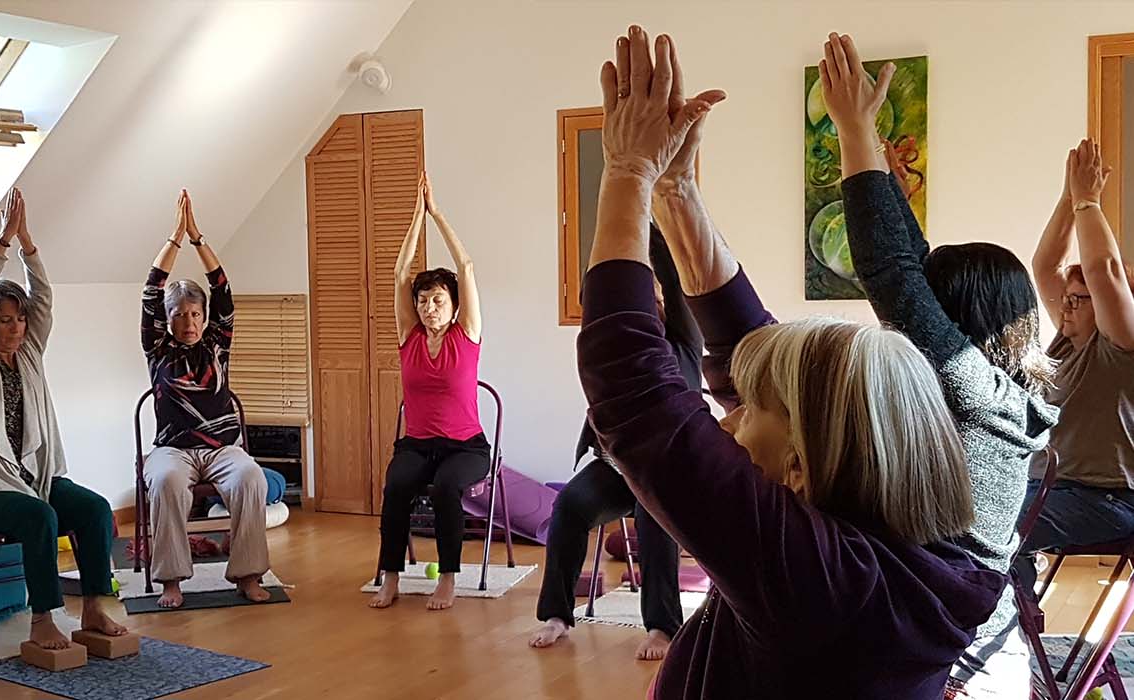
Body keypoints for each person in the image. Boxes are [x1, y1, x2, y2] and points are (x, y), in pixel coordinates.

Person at [578, 26, 1003, 698]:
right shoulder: (898, 539)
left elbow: (635, 393)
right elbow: (749, 349)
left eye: (748, 414)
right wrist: (676, 193)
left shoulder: (821, 583)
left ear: (800, 467)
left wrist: (628, 171)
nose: (726, 418)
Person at [821, 33, 1057, 697]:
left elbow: (895, 276)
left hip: (956, 671)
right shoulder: (996, 387)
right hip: (944, 636)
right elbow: (913, 264)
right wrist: (882, 171)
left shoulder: (977, 397)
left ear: (957, 323)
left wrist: (852, 132)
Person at [0, 188, 126, 649]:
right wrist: (1, 244)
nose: (16, 328)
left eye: (20, 320)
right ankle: (43, 618)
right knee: (40, 517)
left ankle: (95, 605)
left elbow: (43, 297)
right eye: (5, 320)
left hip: (35, 481)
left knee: (95, 509)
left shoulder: (29, 355)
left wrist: (28, 244)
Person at [529, 225, 699, 660]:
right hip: (616, 468)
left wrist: (646, 225)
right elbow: (600, 292)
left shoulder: (682, 341)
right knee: (569, 506)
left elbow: (673, 283)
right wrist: (611, 234)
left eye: (648, 297)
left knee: (654, 517)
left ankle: (661, 627)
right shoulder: (609, 345)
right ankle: (557, 616)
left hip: (666, 470)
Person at [141, 189, 274, 609]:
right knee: (165, 481)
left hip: (223, 449)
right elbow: (151, 290)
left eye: (196, 313)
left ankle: (248, 574)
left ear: (205, 317)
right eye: (179, 314)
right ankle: (171, 580)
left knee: (251, 477)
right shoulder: (158, 348)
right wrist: (174, 239)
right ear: (168, 319)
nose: (189, 321)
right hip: (172, 450)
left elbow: (223, 288)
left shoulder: (217, 343)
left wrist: (197, 238)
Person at [1017, 138, 1134, 590]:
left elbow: (1104, 270)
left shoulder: (1119, 345)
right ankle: (1014, 609)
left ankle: (1014, 616)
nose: (1064, 306)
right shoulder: (1067, 339)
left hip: (1107, 498)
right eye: (1066, 297)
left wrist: (1088, 202)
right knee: (971, 515)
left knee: (997, 526)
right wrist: (1069, 197)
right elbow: (1044, 264)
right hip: (1049, 489)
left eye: (1079, 300)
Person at [370, 173, 487, 612]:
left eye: (438, 300)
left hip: (466, 447)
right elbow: (399, 273)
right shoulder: (410, 336)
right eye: (422, 300)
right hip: (418, 445)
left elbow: (466, 267)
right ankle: (391, 578)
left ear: (454, 306)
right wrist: (415, 217)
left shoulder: (467, 333)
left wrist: (436, 213)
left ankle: (448, 579)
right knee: (396, 485)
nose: (428, 307)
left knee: (445, 489)